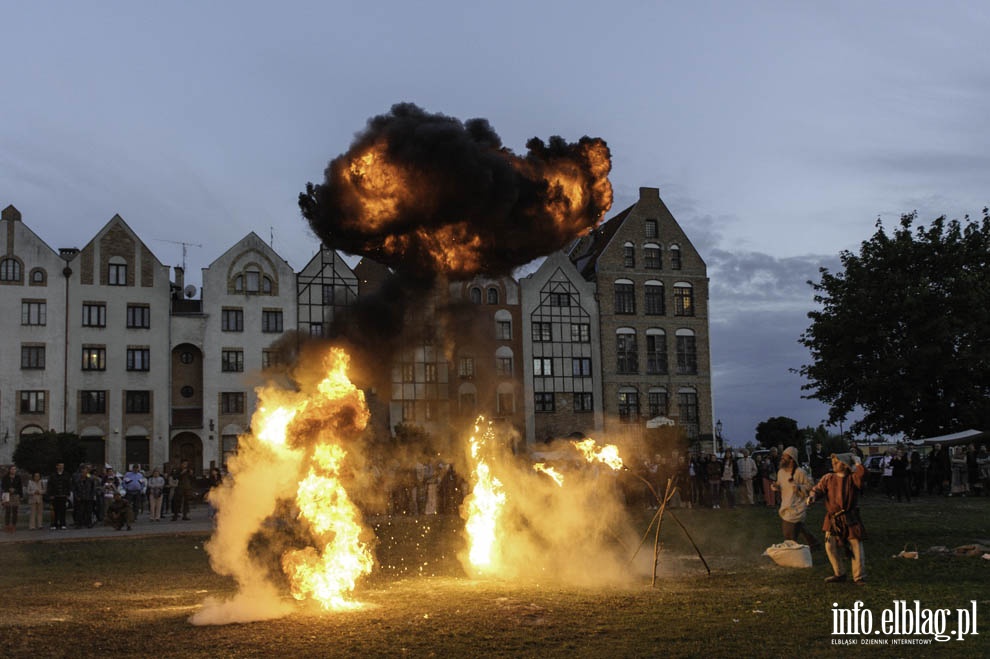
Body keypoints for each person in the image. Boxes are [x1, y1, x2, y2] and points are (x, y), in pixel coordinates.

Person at [807, 453, 867, 584]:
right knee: (830, 546)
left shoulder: (853, 478)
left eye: (837, 462)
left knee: (855, 546)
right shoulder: (828, 478)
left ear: (845, 465)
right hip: (833, 519)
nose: (833, 464)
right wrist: (812, 496)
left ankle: (859, 577)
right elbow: (817, 489)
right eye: (833, 461)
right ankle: (839, 573)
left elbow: (862, 475)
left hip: (850, 517)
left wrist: (857, 462)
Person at [772, 446, 818, 548]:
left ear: (791, 459)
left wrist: (799, 488)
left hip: (797, 506)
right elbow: (780, 484)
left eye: (785, 456)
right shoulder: (781, 472)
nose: (782, 458)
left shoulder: (800, 472)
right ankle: (814, 542)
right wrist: (776, 486)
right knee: (798, 527)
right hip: (785, 505)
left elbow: (810, 485)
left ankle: (794, 556)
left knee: (789, 535)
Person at [47, 462, 72, 530]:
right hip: (55, 495)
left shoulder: (66, 475)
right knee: (55, 510)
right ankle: (54, 524)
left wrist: (68, 494)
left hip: (63, 495)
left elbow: (68, 485)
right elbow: (50, 485)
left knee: (63, 510)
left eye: (62, 466)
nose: (61, 467)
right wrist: (50, 494)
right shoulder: (53, 475)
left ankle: (63, 524)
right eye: (60, 466)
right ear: (57, 466)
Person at [3, 465, 24, 533]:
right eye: (12, 469)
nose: (13, 470)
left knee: (15, 511)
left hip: (15, 495)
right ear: (9, 470)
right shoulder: (5, 477)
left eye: (14, 469)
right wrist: (9, 489)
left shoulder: (18, 477)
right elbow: (3, 486)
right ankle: (7, 526)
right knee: (7, 511)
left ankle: (13, 526)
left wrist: (20, 495)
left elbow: (20, 487)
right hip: (6, 495)